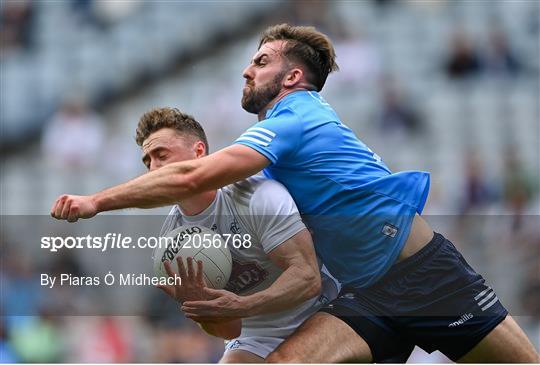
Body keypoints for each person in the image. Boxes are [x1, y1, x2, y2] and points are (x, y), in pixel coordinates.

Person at [51, 24, 539, 362]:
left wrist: (97, 201)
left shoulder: (298, 116)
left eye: (260, 61)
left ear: (292, 77)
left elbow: (193, 176)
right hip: (365, 293)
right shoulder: (279, 135)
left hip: (430, 278)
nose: (247, 71)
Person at [135, 107, 338, 362]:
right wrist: (203, 309)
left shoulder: (256, 196)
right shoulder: (173, 242)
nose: (153, 169)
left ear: (198, 152)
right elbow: (229, 330)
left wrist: (244, 305)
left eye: (161, 155)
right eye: (147, 161)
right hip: (257, 333)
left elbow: (308, 279)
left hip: (321, 308)